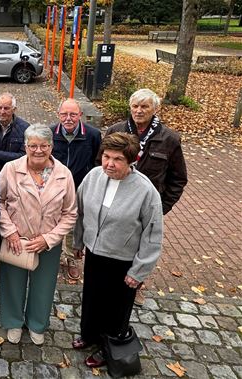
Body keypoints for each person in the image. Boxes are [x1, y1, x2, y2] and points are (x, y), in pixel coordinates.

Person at [72, 132, 163, 368]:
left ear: (131, 161)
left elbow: (153, 234)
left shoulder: (145, 191)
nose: (109, 164)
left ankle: (108, 347)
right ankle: (89, 334)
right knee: (92, 299)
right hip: (95, 253)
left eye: (117, 159)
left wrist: (139, 270)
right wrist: (79, 242)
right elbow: (80, 212)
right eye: (106, 157)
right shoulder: (93, 177)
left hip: (123, 261)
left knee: (116, 308)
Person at [104, 88, 187, 305]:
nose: (139, 111)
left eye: (144, 106)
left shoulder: (169, 139)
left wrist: (161, 207)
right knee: (111, 242)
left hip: (146, 207)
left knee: (141, 247)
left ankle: (136, 284)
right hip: (115, 201)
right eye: (135, 106)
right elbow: (100, 164)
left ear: (155, 109)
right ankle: (107, 283)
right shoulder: (115, 130)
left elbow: (178, 179)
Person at [0, 124, 77, 346]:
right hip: (17, 239)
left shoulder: (64, 174)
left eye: (44, 146)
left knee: (44, 285)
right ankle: (13, 321)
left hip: (47, 242)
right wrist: (10, 231)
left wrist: (49, 239)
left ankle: (37, 323)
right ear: (25, 146)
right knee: (12, 283)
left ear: (51, 146)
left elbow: (70, 213)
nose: (38, 150)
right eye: (33, 146)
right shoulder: (10, 169)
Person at [52, 99, 101, 281]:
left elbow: (98, 164)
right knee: (53, 223)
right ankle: (54, 258)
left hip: (80, 189)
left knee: (74, 225)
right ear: (59, 115)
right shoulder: (50, 133)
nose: (68, 118)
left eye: (73, 114)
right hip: (55, 190)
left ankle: (72, 258)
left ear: (80, 115)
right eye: (64, 114)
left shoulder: (93, 135)